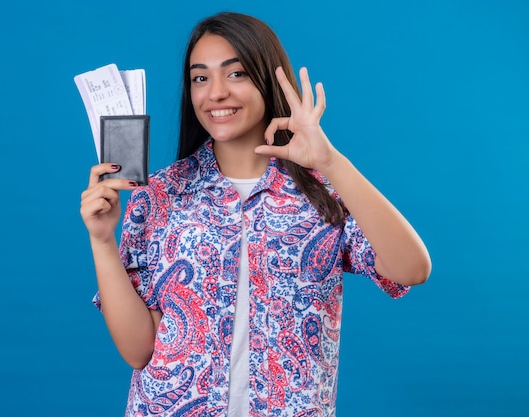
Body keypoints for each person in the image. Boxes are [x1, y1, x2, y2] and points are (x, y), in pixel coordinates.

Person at [80, 11, 431, 417]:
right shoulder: (159, 193)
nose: (214, 94)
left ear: (267, 79)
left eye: (236, 74)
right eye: (200, 77)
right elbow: (138, 351)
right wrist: (102, 239)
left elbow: (412, 269)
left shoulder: (321, 194)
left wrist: (331, 162)